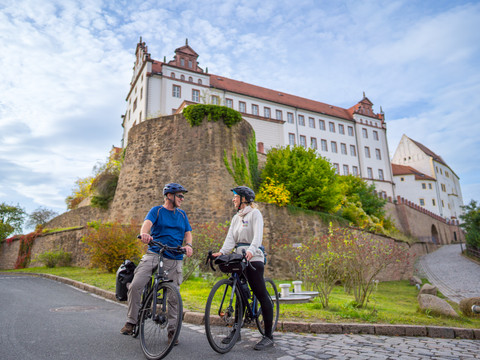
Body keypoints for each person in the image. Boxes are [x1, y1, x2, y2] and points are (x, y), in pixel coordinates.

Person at [121, 183, 193, 345]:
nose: (182, 198)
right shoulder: (157, 211)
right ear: (169, 196)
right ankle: (131, 322)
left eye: (183, 196)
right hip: (154, 252)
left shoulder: (182, 215)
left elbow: (188, 233)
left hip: (174, 257)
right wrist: (144, 234)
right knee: (135, 285)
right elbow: (146, 224)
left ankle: (172, 332)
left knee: (174, 297)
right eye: (180, 195)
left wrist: (188, 245)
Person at [212, 186, 274, 350]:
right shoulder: (236, 218)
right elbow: (230, 239)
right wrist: (222, 252)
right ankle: (236, 331)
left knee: (260, 293)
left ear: (244, 199)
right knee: (239, 293)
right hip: (238, 258)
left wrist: (252, 251)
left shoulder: (255, 214)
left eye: (235, 196)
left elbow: (257, 237)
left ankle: (268, 336)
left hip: (253, 258)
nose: (233, 199)